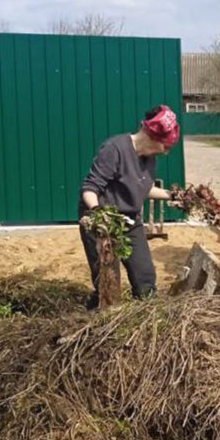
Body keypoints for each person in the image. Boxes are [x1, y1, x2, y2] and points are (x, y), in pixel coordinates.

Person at [79, 105, 180, 307]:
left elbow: (143, 187)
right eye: (166, 146)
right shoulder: (115, 149)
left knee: (145, 278)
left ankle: (145, 314)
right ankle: (99, 313)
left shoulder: (149, 159)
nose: (166, 152)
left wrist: (173, 196)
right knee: (108, 282)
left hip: (130, 221)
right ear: (153, 137)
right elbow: (90, 188)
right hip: (102, 223)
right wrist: (99, 215)